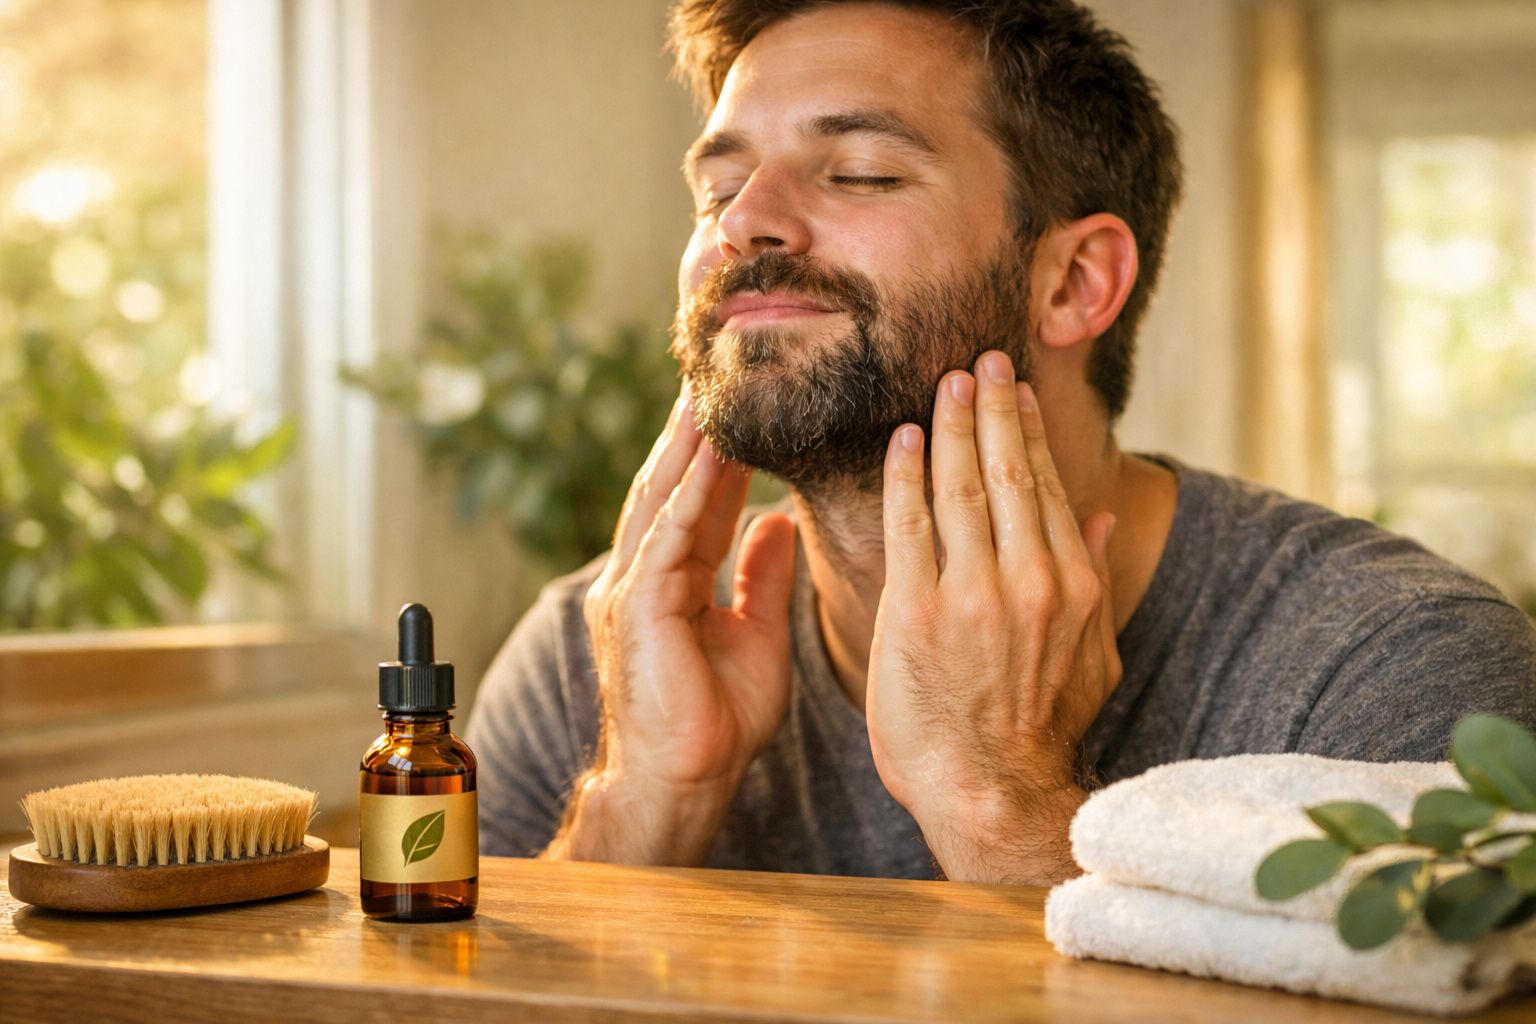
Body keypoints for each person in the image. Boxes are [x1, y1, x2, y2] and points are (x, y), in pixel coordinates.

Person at [464, 0, 1536, 885]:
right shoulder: (587, 664)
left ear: (1072, 282)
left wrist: (1001, 802)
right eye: (719, 186)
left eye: (862, 173)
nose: (746, 224)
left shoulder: (1388, 670)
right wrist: (647, 799)